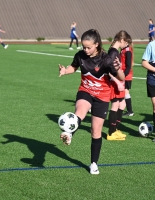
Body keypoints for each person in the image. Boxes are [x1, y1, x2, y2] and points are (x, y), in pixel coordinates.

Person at [58, 29, 125, 174]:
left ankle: (93, 163)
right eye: (84, 47)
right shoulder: (80, 55)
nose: (85, 50)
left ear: (97, 44)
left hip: (102, 97)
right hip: (85, 91)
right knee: (80, 111)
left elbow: (121, 77)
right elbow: (73, 67)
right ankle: (69, 134)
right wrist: (65, 71)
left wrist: (119, 69)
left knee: (96, 131)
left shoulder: (106, 59)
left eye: (88, 47)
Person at [107, 30, 134, 140]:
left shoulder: (115, 51)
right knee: (115, 105)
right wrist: (117, 81)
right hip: (115, 82)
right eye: (126, 42)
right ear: (122, 40)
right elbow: (108, 70)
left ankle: (115, 129)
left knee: (122, 104)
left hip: (119, 81)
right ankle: (111, 133)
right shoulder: (113, 52)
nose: (126, 45)